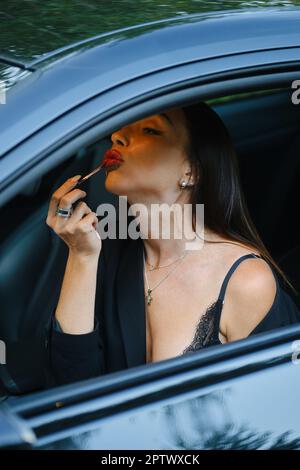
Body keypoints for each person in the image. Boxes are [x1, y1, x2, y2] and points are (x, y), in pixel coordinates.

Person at [45, 102, 300, 386]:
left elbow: (272, 407)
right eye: (121, 129)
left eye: (151, 130)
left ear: (191, 172)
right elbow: (70, 390)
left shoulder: (246, 283)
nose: (117, 136)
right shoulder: (105, 253)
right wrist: (81, 256)